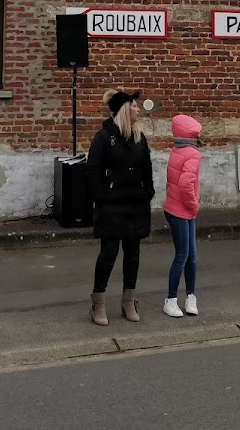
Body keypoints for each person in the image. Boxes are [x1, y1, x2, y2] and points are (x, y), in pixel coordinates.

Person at [86, 89, 154, 325]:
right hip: (112, 204)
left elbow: (147, 167)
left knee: (133, 254)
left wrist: (148, 191)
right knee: (109, 253)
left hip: (135, 202)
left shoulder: (139, 136)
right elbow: (92, 170)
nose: (138, 110)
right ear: (125, 110)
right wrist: (101, 197)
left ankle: (129, 300)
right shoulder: (104, 137)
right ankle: (98, 302)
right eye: (134, 106)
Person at [162, 114, 202, 319]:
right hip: (181, 211)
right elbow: (186, 185)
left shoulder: (176, 150)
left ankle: (190, 297)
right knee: (184, 256)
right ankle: (170, 300)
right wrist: (194, 205)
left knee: (190, 256)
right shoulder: (192, 154)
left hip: (177, 210)